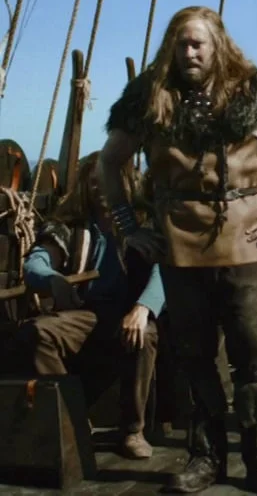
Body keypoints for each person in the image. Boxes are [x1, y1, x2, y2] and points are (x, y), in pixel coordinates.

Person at [98, 5, 257, 493]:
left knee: (253, 358)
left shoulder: (256, 90)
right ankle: (206, 458)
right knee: (194, 357)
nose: (189, 52)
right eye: (181, 44)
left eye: (198, 43)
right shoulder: (149, 96)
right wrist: (128, 226)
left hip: (246, 241)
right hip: (180, 246)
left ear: (217, 45)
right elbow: (110, 162)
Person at [14, 151, 163, 460]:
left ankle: (132, 430)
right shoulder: (70, 227)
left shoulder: (145, 225)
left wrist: (143, 308)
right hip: (85, 313)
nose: (101, 189)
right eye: (94, 182)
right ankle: (73, 419)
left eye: (108, 181)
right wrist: (53, 279)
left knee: (145, 335)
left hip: (131, 312)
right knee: (38, 332)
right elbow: (37, 262)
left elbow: (164, 272)